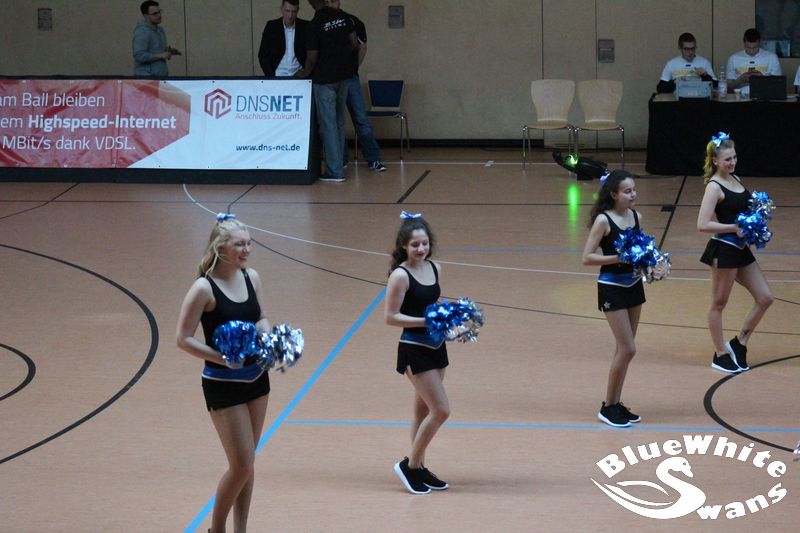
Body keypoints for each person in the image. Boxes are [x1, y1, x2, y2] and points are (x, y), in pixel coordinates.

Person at [176, 214, 271, 533]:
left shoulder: (251, 277)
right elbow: (183, 338)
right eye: (239, 244)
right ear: (220, 247)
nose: (247, 250)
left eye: (249, 244)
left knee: (248, 463)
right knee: (241, 464)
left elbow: (261, 316)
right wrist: (221, 357)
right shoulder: (203, 288)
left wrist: (268, 339)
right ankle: (216, 529)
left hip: (257, 379)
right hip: (222, 384)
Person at [385, 213, 450, 494]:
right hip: (415, 349)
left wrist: (449, 318)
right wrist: (426, 321)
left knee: (422, 412)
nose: (421, 249)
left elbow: (435, 302)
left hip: (437, 346)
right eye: (415, 245)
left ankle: (420, 467)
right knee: (441, 410)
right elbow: (391, 317)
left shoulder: (435, 268)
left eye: (424, 244)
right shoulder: (400, 275)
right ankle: (409, 466)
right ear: (404, 246)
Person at [697, 134, 774, 373]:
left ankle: (739, 343)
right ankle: (720, 354)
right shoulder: (713, 187)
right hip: (724, 250)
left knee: (765, 297)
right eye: (727, 159)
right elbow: (702, 224)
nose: (732, 162)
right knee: (719, 303)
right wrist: (734, 228)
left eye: (734, 157)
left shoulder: (735, 178)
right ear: (715, 161)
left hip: (741, 249)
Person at [581, 170, 646, 429]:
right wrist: (618, 258)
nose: (633, 195)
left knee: (624, 350)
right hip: (612, 287)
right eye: (627, 191)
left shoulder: (637, 217)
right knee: (628, 348)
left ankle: (616, 403)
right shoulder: (604, 221)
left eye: (634, 190)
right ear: (614, 194)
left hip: (634, 285)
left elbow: (641, 252)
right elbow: (587, 257)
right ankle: (608, 407)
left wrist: (650, 264)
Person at [300, 0, 359, 183]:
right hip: (344, 76)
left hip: (324, 79)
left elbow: (312, 57)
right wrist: (342, 55)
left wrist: (304, 73)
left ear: (311, 4)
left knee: (328, 126)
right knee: (339, 122)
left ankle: (335, 171)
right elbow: (354, 43)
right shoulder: (343, 16)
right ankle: (340, 162)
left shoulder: (314, 25)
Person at [334, 1, 387, 172]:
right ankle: (341, 159)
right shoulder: (323, 21)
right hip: (332, 79)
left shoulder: (352, 21)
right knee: (337, 121)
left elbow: (362, 47)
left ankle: (373, 158)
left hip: (349, 78)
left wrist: (353, 68)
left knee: (361, 119)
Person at [258, 0, 308, 77]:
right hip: (277, 76)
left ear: (298, 10)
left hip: (300, 76)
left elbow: (312, 53)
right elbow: (263, 54)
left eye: (293, 11)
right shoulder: (271, 27)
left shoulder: (306, 27)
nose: (290, 15)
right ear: (281, 9)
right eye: (287, 11)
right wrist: (271, 76)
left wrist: (306, 73)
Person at [725, 28, 782, 93]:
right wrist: (741, 80)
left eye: (755, 47)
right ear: (744, 43)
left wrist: (762, 78)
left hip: (764, 96)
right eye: (748, 47)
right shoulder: (733, 58)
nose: (752, 51)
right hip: (740, 97)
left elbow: (778, 85)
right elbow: (728, 87)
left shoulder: (772, 57)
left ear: (760, 43)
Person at [132, 0, 181, 77]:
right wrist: (161, 55)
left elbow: (155, 49)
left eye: (159, 12)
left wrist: (168, 51)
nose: (159, 15)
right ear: (146, 16)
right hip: (146, 78)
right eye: (155, 13)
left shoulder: (160, 30)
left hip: (161, 76)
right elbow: (139, 55)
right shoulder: (142, 32)